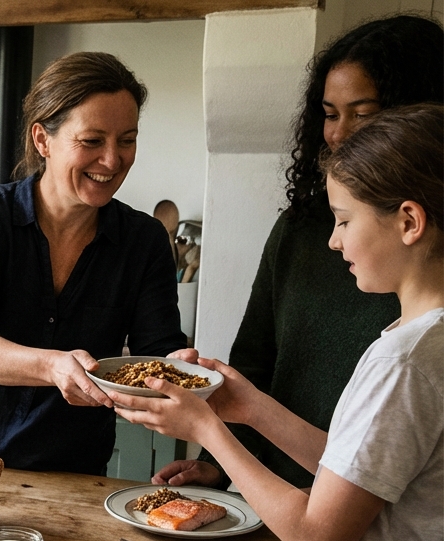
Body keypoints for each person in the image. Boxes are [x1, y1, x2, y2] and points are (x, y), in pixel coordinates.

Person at [116, 104, 442, 541]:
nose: (333, 241)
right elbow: (354, 472)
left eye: (345, 220)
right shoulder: (423, 343)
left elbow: (318, 536)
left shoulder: (409, 361)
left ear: (408, 221)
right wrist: (249, 407)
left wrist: (207, 429)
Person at [155, 15, 443, 489]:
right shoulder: (299, 231)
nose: (339, 133)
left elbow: (326, 527)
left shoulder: (410, 346)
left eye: (364, 113)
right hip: (275, 491)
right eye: (330, 114)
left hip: (363, 512)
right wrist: (220, 459)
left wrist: (210, 430)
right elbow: (254, 358)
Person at [0, 52, 186, 475]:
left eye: (127, 140)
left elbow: (156, 356)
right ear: (43, 140)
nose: (113, 161)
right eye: (92, 141)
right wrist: (52, 365)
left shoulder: (144, 240)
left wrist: (182, 371)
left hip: (71, 469)